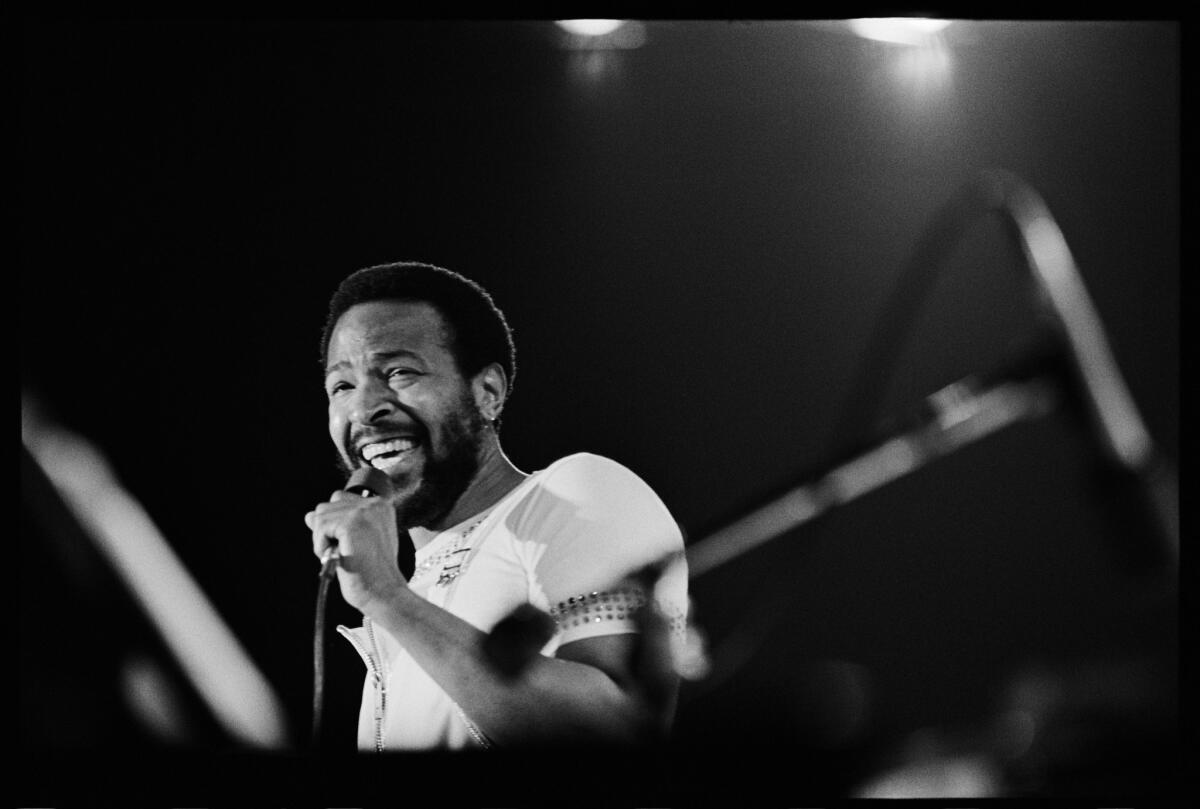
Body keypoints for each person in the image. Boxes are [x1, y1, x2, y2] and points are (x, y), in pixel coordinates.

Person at [305, 261, 689, 750]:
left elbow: (622, 733)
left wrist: (387, 597)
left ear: (487, 392)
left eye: (400, 372)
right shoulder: (410, 594)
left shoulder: (573, 493)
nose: (364, 409)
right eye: (342, 386)